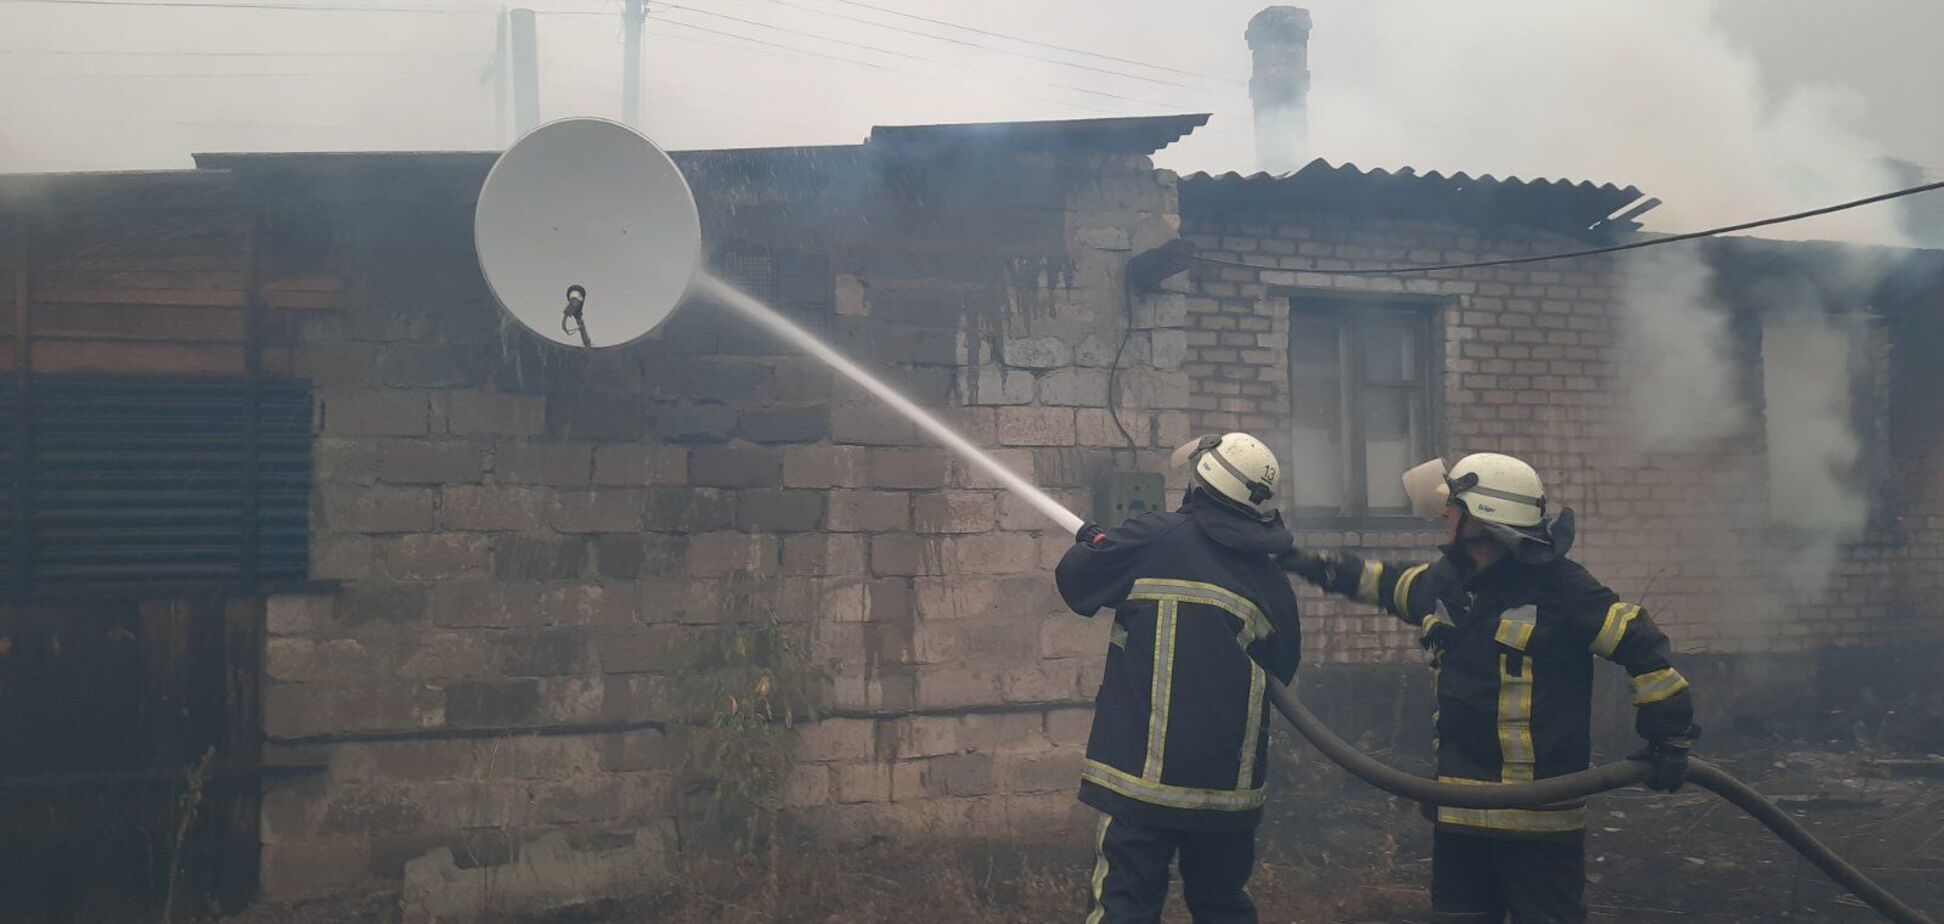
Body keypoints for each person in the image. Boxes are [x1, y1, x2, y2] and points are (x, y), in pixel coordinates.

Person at [1282, 453, 1700, 924]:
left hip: (1540, 825)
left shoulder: (1563, 589)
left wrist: (1668, 740)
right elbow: (1383, 582)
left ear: (1482, 519)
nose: (1445, 516)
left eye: (1453, 508)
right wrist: (1303, 562)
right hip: (1460, 814)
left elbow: (1642, 647)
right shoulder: (1448, 582)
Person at [1056, 432, 1302, 924]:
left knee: (1123, 906)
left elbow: (1075, 580)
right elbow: (1284, 665)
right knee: (1221, 906)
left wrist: (1108, 546)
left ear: (1201, 482)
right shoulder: (1270, 578)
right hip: (1226, 794)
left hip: (1140, 787)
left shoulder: (1154, 539)